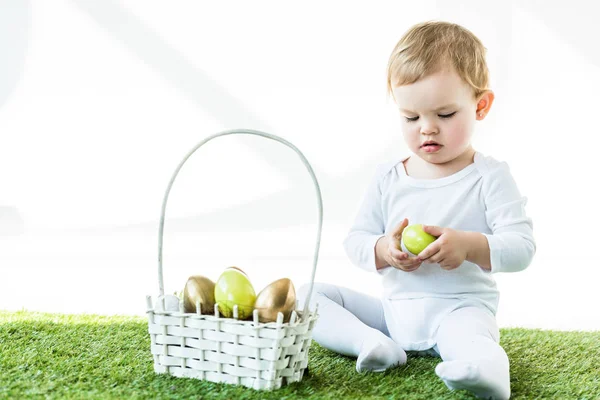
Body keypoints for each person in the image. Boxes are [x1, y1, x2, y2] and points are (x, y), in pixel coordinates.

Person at [297, 21, 536, 400]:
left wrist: (469, 245)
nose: (427, 129)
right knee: (306, 296)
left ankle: (487, 372)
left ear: (481, 105)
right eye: (411, 117)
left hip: (459, 311)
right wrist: (384, 251)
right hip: (393, 316)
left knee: (472, 339)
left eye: (444, 114)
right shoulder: (389, 177)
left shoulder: (488, 177)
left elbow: (522, 247)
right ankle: (370, 344)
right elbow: (356, 240)